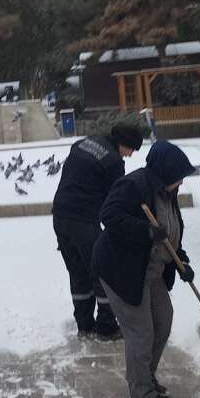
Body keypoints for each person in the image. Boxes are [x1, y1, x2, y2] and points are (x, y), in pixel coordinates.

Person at [92, 140, 197, 398]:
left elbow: (170, 234)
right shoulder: (135, 185)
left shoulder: (167, 193)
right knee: (141, 332)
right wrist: (145, 231)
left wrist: (182, 261)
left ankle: (144, 376)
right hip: (122, 270)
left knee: (163, 321)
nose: (182, 183)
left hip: (152, 271)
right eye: (180, 176)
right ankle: (142, 392)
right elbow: (109, 215)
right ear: (166, 172)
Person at [51, 122, 144, 341]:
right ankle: (106, 327)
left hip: (60, 217)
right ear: (123, 144)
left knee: (78, 273)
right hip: (82, 221)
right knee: (103, 272)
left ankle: (84, 325)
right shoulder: (113, 162)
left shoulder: (84, 143)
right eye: (131, 150)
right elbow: (113, 204)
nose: (130, 156)